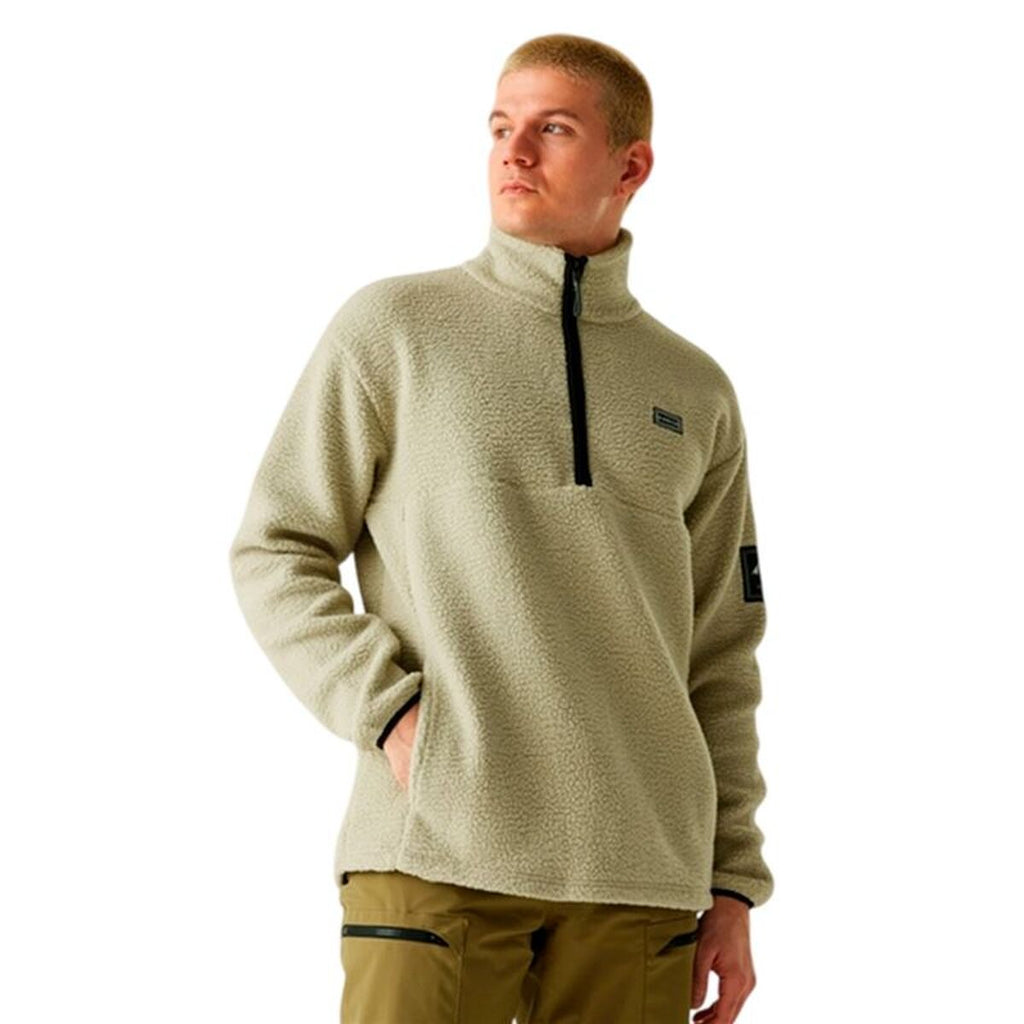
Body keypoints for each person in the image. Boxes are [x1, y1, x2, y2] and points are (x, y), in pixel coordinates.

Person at [229, 32, 773, 1024]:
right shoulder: (395, 328)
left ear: (630, 167)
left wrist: (732, 880)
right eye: (499, 127)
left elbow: (722, 653)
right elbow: (276, 546)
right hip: (437, 847)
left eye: (552, 129)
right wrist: (389, 712)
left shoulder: (696, 391)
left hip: (640, 870)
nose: (513, 152)